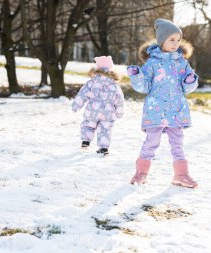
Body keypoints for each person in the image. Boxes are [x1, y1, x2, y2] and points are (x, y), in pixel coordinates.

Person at [127, 18, 198, 188]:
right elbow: (144, 87)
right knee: (151, 142)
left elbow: (188, 88)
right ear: (162, 41)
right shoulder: (152, 63)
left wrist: (190, 80)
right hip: (155, 110)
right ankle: (141, 173)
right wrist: (137, 75)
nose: (176, 43)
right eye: (171, 39)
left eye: (178, 40)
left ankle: (181, 175)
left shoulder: (182, 63)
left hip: (176, 110)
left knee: (177, 144)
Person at [72, 56, 124, 156]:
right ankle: (104, 148)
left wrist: (76, 106)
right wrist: (119, 112)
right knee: (105, 129)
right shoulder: (114, 85)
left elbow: (82, 94)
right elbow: (119, 100)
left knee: (88, 124)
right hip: (108, 113)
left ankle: (85, 142)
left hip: (92, 110)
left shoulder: (92, 82)